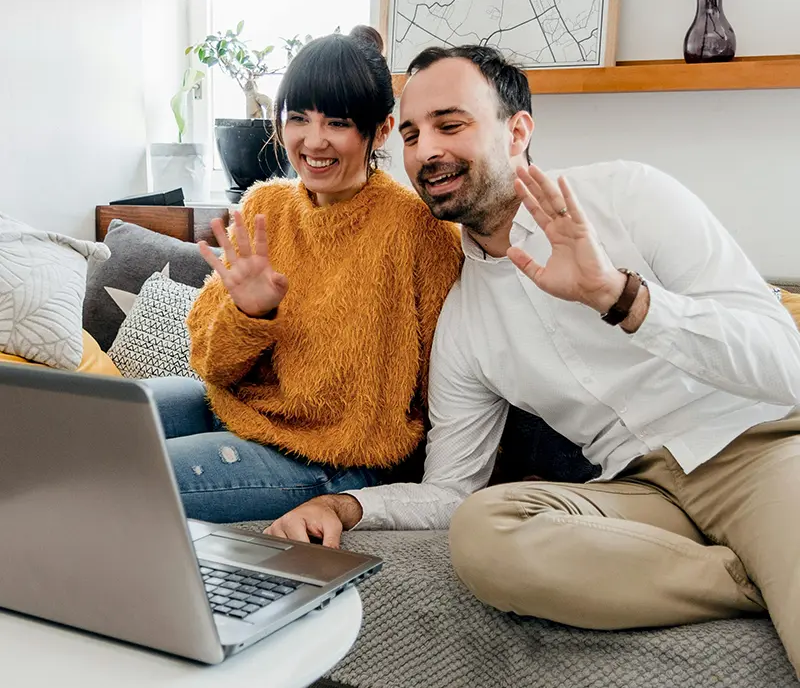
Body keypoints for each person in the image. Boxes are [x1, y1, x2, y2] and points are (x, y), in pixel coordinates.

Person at [267, 45, 800, 676]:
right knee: (483, 532)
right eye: (410, 133)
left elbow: (784, 363)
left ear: (517, 130)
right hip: (635, 488)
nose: (425, 150)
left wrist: (623, 298)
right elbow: (451, 490)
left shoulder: (629, 196)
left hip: (755, 448)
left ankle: (773, 561)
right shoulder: (464, 318)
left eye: (450, 123)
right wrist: (347, 507)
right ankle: (756, 574)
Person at [147, 27, 463, 529]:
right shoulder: (263, 205)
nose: (313, 141)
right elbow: (210, 365)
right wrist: (250, 313)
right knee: (82, 426)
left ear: (380, 131)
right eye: (298, 117)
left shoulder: (420, 230)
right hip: (233, 409)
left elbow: (448, 389)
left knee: (129, 476)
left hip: (332, 460)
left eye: (337, 122)